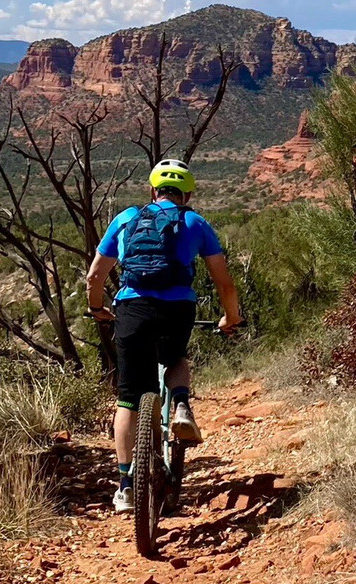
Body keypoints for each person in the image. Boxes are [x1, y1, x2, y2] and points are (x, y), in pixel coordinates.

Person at [85, 158, 243, 514]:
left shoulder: (126, 219)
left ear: (152, 190)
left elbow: (95, 277)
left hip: (132, 309)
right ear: (186, 194)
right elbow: (224, 281)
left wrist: (97, 308)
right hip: (176, 309)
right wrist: (230, 318)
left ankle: (126, 485)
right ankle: (182, 404)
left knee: (128, 399)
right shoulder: (194, 222)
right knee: (175, 357)